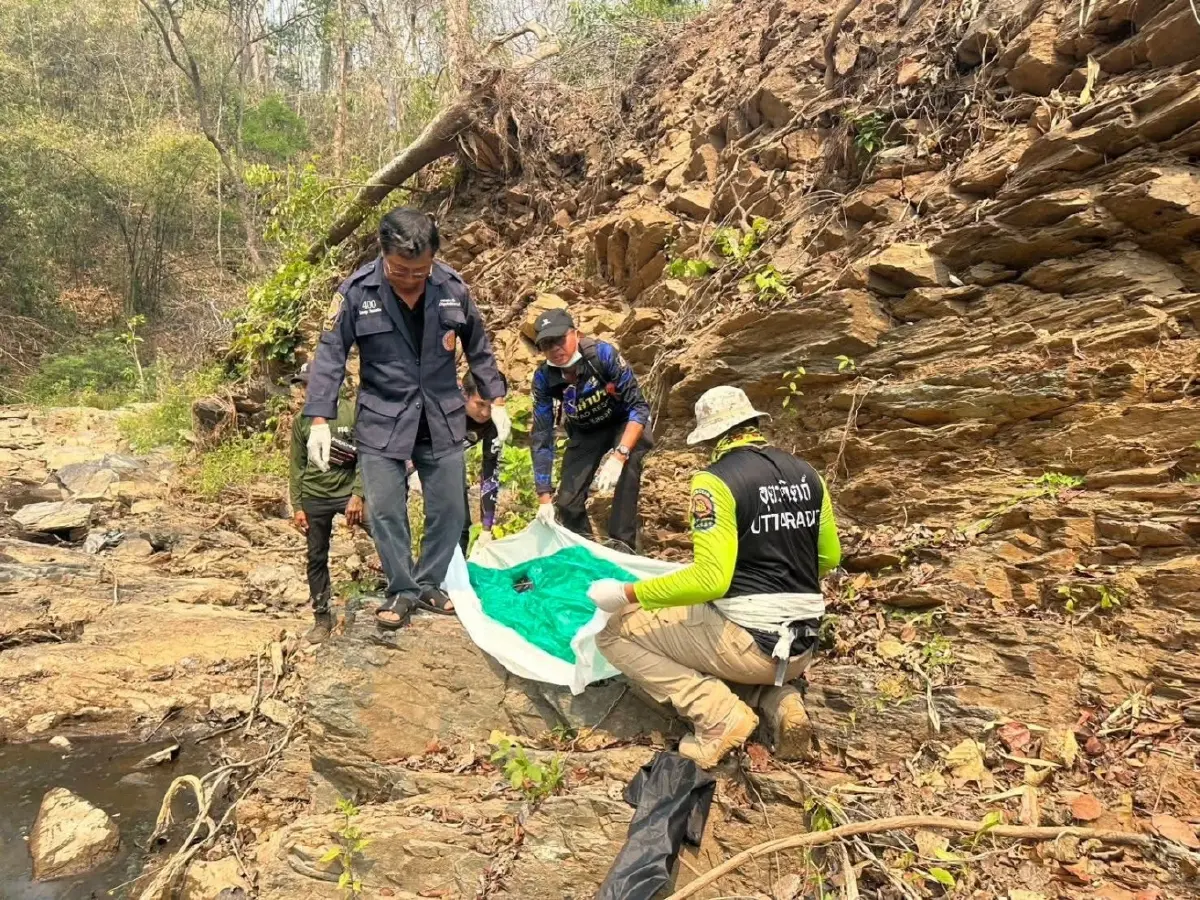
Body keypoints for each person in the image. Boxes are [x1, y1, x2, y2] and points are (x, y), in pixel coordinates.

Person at [586, 386, 841, 769]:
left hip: (749, 646)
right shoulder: (808, 474)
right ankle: (778, 699)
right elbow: (829, 557)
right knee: (712, 630)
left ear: (712, 437)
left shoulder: (715, 481)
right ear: (752, 423)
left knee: (615, 632)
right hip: (802, 644)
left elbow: (711, 580)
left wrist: (626, 593)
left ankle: (718, 717)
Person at [303, 208, 509, 629]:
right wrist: (320, 418)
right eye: (401, 270)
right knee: (384, 510)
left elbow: (479, 345)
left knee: (451, 509)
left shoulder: (453, 288)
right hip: (383, 417)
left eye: (420, 270)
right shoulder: (357, 293)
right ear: (383, 254)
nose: (411, 278)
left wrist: (497, 398)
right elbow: (330, 354)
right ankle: (401, 589)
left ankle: (429, 582)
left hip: (441, 415)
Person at [529, 308, 652, 551]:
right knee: (566, 503)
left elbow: (638, 407)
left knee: (629, 466)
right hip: (586, 430)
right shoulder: (544, 378)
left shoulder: (602, 355)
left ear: (576, 333)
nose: (554, 349)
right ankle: (586, 550)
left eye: (559, 340)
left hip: (622, 420)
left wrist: (619, 455)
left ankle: (621, 544)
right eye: (546, 344)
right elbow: (542, 436)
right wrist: (543, 496)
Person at [288, 364, 364, 644]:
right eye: (303, 386)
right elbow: (296, 467)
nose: (306, 390)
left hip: (348, 494)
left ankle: (398, 593)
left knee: (385, 534)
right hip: (314, 497)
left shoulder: (351, 411)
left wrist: (358, 494)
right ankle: (322, 617)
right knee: (316, 557)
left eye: (310, 384)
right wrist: (297, 506)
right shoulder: (302, 421)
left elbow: (366, 456)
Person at [459, 372, 505, 555]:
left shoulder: (494, 421)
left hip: (449, 459)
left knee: (461, 526)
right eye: (480, 405)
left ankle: (455, 579)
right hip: (409, 454)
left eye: (491, 406)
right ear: (464, 395)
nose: (485, 413)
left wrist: (487, 527)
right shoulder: (444, 406)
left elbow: (490, 470)